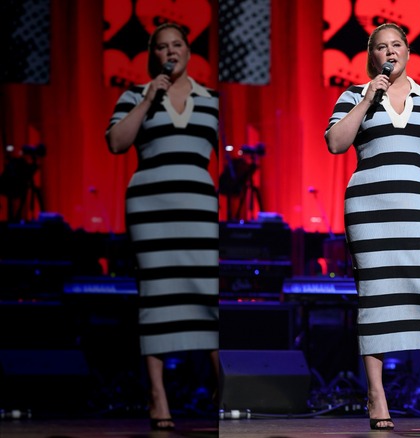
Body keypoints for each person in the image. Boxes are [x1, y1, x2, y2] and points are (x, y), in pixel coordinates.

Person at [324, 22, 420, 430]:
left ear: (408, 51)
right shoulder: (354, 95)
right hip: (369, 208)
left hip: (418, 207)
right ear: (372, 56)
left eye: (396, 45)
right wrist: (368, 98)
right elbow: (335, 143)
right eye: (381, 47)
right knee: (376, 296)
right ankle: (377, 395)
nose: (390, 52)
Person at [105, 23, 220, 431]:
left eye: (177, 45)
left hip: (198, 205)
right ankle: (158, 394)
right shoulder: (136, 95)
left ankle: (226, 388)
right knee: (156, 293)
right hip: (151, 204)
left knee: (205, 291)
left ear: (189, 50)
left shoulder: (211, 99)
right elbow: (117, 143)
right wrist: (149, 97)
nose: (169, 52)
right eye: (161, 47)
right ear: (152, 54)